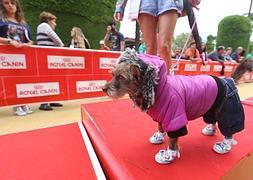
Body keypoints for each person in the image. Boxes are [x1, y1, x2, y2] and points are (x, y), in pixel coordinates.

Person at [114, 0, 184, 70]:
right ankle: (151, 79)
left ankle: (167, 79)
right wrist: (120, 6)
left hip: (169, 2)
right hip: (144, 2)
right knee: (150, 48)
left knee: (164, 47)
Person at [0, 0, 33, 116]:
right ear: (2, 5)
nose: (10, 5)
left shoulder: (23, 23)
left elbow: (30, 40)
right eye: (6, 3)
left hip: (22, 56)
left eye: (13, 3)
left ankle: (23, 101)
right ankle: (15, 103)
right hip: (6, 56)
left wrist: (27, 44)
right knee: (10, 80)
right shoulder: (1, 20)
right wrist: (9, 41)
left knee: (22, 79)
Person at [36, 11, 63, 111]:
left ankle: (51, 99)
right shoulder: (44, 26)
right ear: (49, 20)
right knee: (47, 79)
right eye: (54, 21)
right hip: (46, 57)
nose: (55, 24)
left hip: (48, 56)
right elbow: (57, 40)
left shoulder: (42, 26)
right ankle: (44, 103)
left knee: (51, 78)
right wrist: (61, 45)